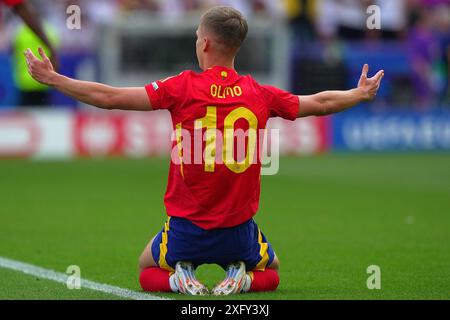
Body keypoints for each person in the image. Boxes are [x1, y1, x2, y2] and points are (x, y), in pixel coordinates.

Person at [24, 6, 384, 296]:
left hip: (187, 228)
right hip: (239, 230)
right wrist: (359, 93)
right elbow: (319, 103)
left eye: (198, 38)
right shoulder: (260, 93)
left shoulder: (181, 87)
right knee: (271, 273)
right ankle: (242, 280)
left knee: (146, 268)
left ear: (207, 44)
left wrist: (55, 79)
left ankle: (178, 280)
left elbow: (110, 97)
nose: (197, 44)